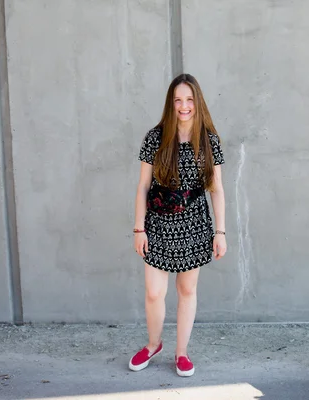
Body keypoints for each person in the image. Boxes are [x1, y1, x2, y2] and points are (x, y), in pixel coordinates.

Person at [129, 73, 226, 377]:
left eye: (189, 99)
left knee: (186, 289)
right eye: (178, 100)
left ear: (197, 102)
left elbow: (217, 190)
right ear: (171, 104)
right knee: (154, 292)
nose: (184, 106)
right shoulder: (156, 138)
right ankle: (153, 343)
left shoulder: (209, 141)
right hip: (158, 223)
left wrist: (220, 232)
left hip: (194, 224)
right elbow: (143, 186)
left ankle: (181, 353)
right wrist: (139, 228)